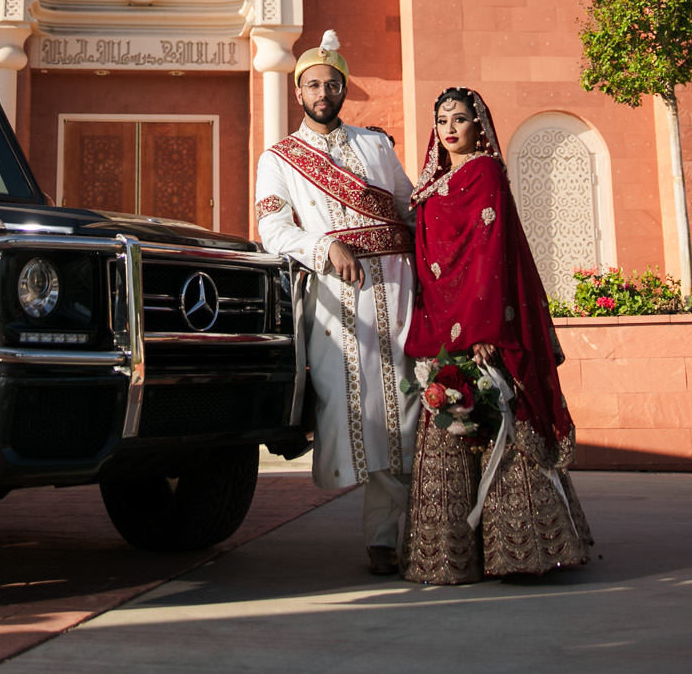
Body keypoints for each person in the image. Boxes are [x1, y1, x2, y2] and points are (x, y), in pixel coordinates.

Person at [403, 86, 593, 584]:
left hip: (483, 324)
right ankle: (450, 557)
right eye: (442, 119)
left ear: (478, 126)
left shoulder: (485, 173)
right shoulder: (430, 188)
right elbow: (428, 265)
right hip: (441, 325)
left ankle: (522, 551)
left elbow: (488, 251)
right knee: (449, 433)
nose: (449, 128)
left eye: (460, 119)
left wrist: (484, 327)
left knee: (498, 427)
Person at [254, 31, 419, 576]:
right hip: (336, 296)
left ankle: (406, 534)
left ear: (344, 89)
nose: (323, 92)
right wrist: (324, 245)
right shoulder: (278, 158)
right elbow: (272, 228)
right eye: (313, 85)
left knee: (411, 406)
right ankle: (381, 534)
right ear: (298, 93)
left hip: (399, 288)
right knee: (365, 414)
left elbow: (409, 209)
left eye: (332, 83)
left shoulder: (377, 146)